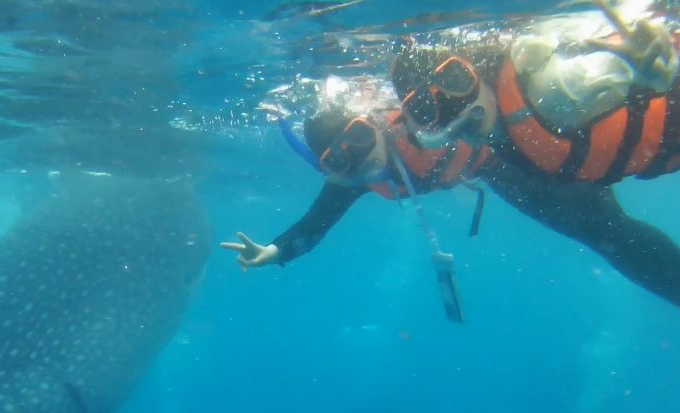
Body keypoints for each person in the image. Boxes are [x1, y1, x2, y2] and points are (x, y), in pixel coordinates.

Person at [221, 0, 680, 316]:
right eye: (341, 161)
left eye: (359, 138)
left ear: (376, 121)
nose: (360, 158)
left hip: (501, 157)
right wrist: (275, 252)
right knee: (605, 237)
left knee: (605, 228)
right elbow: (314, 224)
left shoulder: (415, 115)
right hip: (508, 166)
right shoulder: (355, 178)